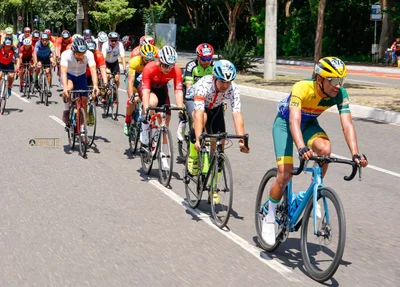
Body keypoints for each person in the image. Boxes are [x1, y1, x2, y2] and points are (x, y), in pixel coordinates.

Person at [261, 57, 369, 246]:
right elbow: (294, 121)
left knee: (325, 150)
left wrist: (355, 153)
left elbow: (347, 124)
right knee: (285, 173)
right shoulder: (302, 88)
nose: (338, 86)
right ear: (320, 79)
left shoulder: (339, 94)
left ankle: (310, 192)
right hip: (286, 125)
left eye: (341, 81)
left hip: (309, 124)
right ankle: (269, 217)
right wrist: (301, 147)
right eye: (334, 81)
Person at [187, 60, 249, 173]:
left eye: (228, 82)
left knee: (220, 140)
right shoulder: (204, 85)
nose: (225, 85)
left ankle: (214, 186)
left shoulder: (233, 89)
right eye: (222, 81)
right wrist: (198, 138)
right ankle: (193, 156)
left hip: (215, 106)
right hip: (194, 101)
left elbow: (237, 113)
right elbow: (200, 112)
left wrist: (241, 139)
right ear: (215, 77)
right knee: (202, 119)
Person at [139, 45, 184, 170]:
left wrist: (181, 109)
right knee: (152, 102)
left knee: (165, 121)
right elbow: (146, 91)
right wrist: (147, 109)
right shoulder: (149, 68)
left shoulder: (176, 70)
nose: (168, 69)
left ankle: (164, 156)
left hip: (162, 89)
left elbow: (178, 91)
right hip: (148, 88)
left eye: (171, 66)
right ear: (159, 61)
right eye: (165, 66)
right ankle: (145, 128)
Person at [177, 43, 215, 141]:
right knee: (198, 116)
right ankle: (186, 126)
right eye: (203, 59)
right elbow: (189, 87)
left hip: (207, 95)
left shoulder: (214, 66)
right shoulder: (191, 66)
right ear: (198, 57)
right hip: (192, 94)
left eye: (209, 59)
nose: (207, 62)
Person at [60, 38, 99, 127]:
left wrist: (95, 86)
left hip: (81, 76)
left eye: (83, 53)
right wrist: (65, 88)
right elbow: (63, 72)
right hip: (70, 75)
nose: (81, 56)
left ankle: (82, 129)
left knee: (84, 101)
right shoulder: (66, 55)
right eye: (79, 54)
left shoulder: (89, 54)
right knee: (68, 90)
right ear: (73, 51)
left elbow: (93, 70)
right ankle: (66, 110)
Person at [124, 43, 157, 135]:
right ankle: (127, 121)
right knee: (133, 100)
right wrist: (131, 96)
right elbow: (130, 81)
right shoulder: (135, 62)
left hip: (145, 81)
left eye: (151, 59)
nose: (149, 62)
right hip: (135, 80)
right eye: (147, 59)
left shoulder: (155, 63)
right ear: (142, 56)